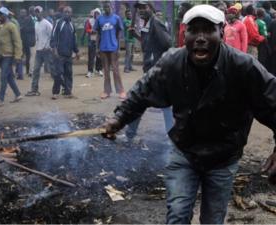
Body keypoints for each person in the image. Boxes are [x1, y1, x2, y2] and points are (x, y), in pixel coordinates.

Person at [102, 4, 276, 224]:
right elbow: (142, 91)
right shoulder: (171, 62)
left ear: (221, 32)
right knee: (177, 215)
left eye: (208, 30)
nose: (200, 37)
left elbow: (273, 101)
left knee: (212, 220)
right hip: (185, 153)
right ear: (185, 34)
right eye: (194, 30)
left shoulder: (243, 66)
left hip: (223, 158)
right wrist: (119, 118)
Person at [124, 1, 173, 143]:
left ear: (151, 9)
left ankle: (130, 134)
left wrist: (156, 62)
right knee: (165, 106)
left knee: (138, 101)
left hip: (156, 73)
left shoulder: (155, 23)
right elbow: (148, 45)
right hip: (152, 72)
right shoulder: (147, 25)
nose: (141, 11)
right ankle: (172, 137)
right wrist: (137, 36)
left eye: (144, 7)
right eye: (139, 8)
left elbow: (167, 44)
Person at [0, 7, 23, 107]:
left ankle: (0, 99)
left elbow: (17, 41)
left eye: (1, 14)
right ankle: (18, 94)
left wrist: (18, 55)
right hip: (0, 55)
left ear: (6, 15)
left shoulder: (11, 26)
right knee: (9, 76)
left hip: (9, 55)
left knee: (3, 77)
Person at [94, 1, 126, 100]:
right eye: (105, 7)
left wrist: (118, 48)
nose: (106, 9)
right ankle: (107, 91)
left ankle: (121, 91)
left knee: (116, 70)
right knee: (106, 71)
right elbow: (98, 35)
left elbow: (118, 34)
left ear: (111, 7)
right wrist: (97, 48)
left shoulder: (116, 18)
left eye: (108, 7)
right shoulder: (99, 19)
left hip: (113, 48)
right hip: (103, 48)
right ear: (103, 8)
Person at [50, 6, 79, 100]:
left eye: (69, 12)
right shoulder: (59, 23)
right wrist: (54, 49)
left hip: (68, 54)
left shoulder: (72, 24)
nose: (67, 13)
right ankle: (55, 92)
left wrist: (76, 51)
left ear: (71, 13)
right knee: (58, 74)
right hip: (59, 54)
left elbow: (74, 40)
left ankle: (68, 92)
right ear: (63, 13)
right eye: (65, 12)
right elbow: (53, 36)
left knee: (68, 73)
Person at [25, 6, 53, 97]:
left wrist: (48, 46)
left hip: (47, 51)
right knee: (36, 70)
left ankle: (64, 87)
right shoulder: (36, 23)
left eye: (38, 12)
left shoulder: (47, 24)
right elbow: (37, 37)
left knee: (53, 71)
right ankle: (34, 90)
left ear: (42, 13)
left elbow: (52, 36)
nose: (36, 13)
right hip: (39, 50)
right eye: (35, 12)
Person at [85, 8, 103, 78]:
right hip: (92, 41)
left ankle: (99, 69)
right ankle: (90, 71)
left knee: (99, 56)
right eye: (95, 13)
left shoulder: (101, 21)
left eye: (98, 13)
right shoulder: (90, 21)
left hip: (100, 41)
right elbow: (87, 29)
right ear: (94, 14)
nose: (96, 15)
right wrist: (91, 31)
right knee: (91, 56)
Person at [19, 8, 36, 78]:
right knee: (24, 55)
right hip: (25, 40)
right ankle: (22, 72)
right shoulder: (27, 19)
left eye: (24, 12)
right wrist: (34, 28)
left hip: (28, 40)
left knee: (28, 56)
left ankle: (27, 70)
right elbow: (24, 29)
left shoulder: (32, 19)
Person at [123, 9, 135, 73]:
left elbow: (134, 27)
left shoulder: (132, 21)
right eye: (128, 14)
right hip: (128, 40)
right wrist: (133, 26)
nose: (129, 15)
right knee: (128, 54)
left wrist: (133, 26)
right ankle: (126, 68)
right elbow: (129, 26)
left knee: (132, 54)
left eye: (130, 14)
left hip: (133, 40)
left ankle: (130, 66)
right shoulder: (125, 21)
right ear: (125, 15)